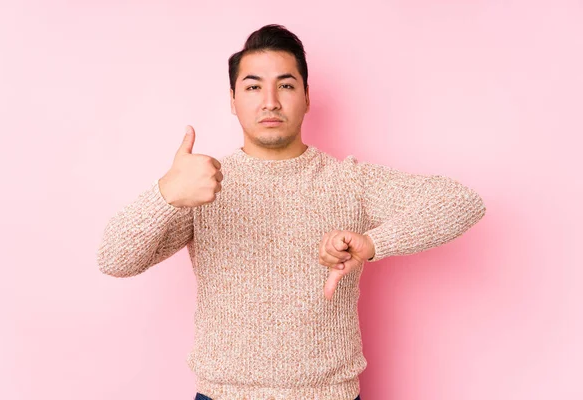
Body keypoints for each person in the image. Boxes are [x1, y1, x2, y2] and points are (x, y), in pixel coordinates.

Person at [96, 24, 486, 400]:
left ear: (307, 97)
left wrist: (371, 243)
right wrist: (166, 194)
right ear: (232, 100)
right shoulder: (203, 185)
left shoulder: (347, 180)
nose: (270, 101)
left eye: (285, 85)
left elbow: (462, 202)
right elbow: (113, 259)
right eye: (253, 87)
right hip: (225, 395)